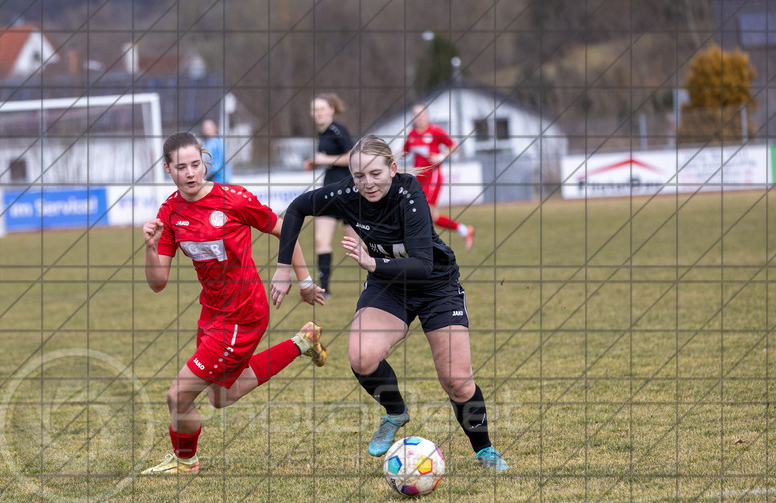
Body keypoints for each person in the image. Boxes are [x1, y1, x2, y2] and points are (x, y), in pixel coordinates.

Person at [271, 134, 507, 471]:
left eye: (375, 174)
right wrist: (284, 268)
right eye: (359, 176)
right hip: (388, 287)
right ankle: (395, 412)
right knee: (361, 357)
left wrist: (372, 264)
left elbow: (423, 264)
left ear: (393, 169)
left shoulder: (409, 194)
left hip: (436, 286)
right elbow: (296, 209)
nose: (367, 184)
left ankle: (484, 450)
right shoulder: (346, 195)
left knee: (456, 380)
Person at [141, 131, 328, 474]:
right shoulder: (169, 212)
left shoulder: (233, 200)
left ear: (204, 162)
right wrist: (151, 247)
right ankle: (303, 342)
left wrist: (300, 280)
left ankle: (185, 462)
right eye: (181, 167)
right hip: (212, 312)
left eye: (196, 164)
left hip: (243, 313)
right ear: (168, 169)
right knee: (220, 396)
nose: (191, 173)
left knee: (177, 396)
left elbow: (284, 228)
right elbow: (158, 283)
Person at [403, 103, 474, 251]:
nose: (419, 117)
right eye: (416, 115)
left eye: (422, 114)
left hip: (433, 177)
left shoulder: (435, 131)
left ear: (427, 116)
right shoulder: (411, 135)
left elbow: (455, 147)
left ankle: (425, 247)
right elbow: (405, 151)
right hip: (419, 179)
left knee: (425, 212)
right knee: (433, 217)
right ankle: (464, 230)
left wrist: (441, 156)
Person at [304, 93, 354, 296]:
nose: (319, 113)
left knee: (358, 245)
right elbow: (330, 160)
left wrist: (324, 160)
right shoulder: (323, 134)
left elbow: (352, 156)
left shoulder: (337, 129)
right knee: (321, 240)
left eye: (323, 108)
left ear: (331, 110)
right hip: (329, 194)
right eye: (315, 110)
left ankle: (393, 273)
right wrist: (315, 163)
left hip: (347, 193)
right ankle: (324, 289)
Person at [201, 118, 231, 184]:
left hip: (221, 180)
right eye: (204, 128)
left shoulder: (219, 142)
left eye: (208, 128)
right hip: (212, 180)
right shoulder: (207, 143)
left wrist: (210, 176)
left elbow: (219, 162)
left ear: (214, 128)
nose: (206, 130)